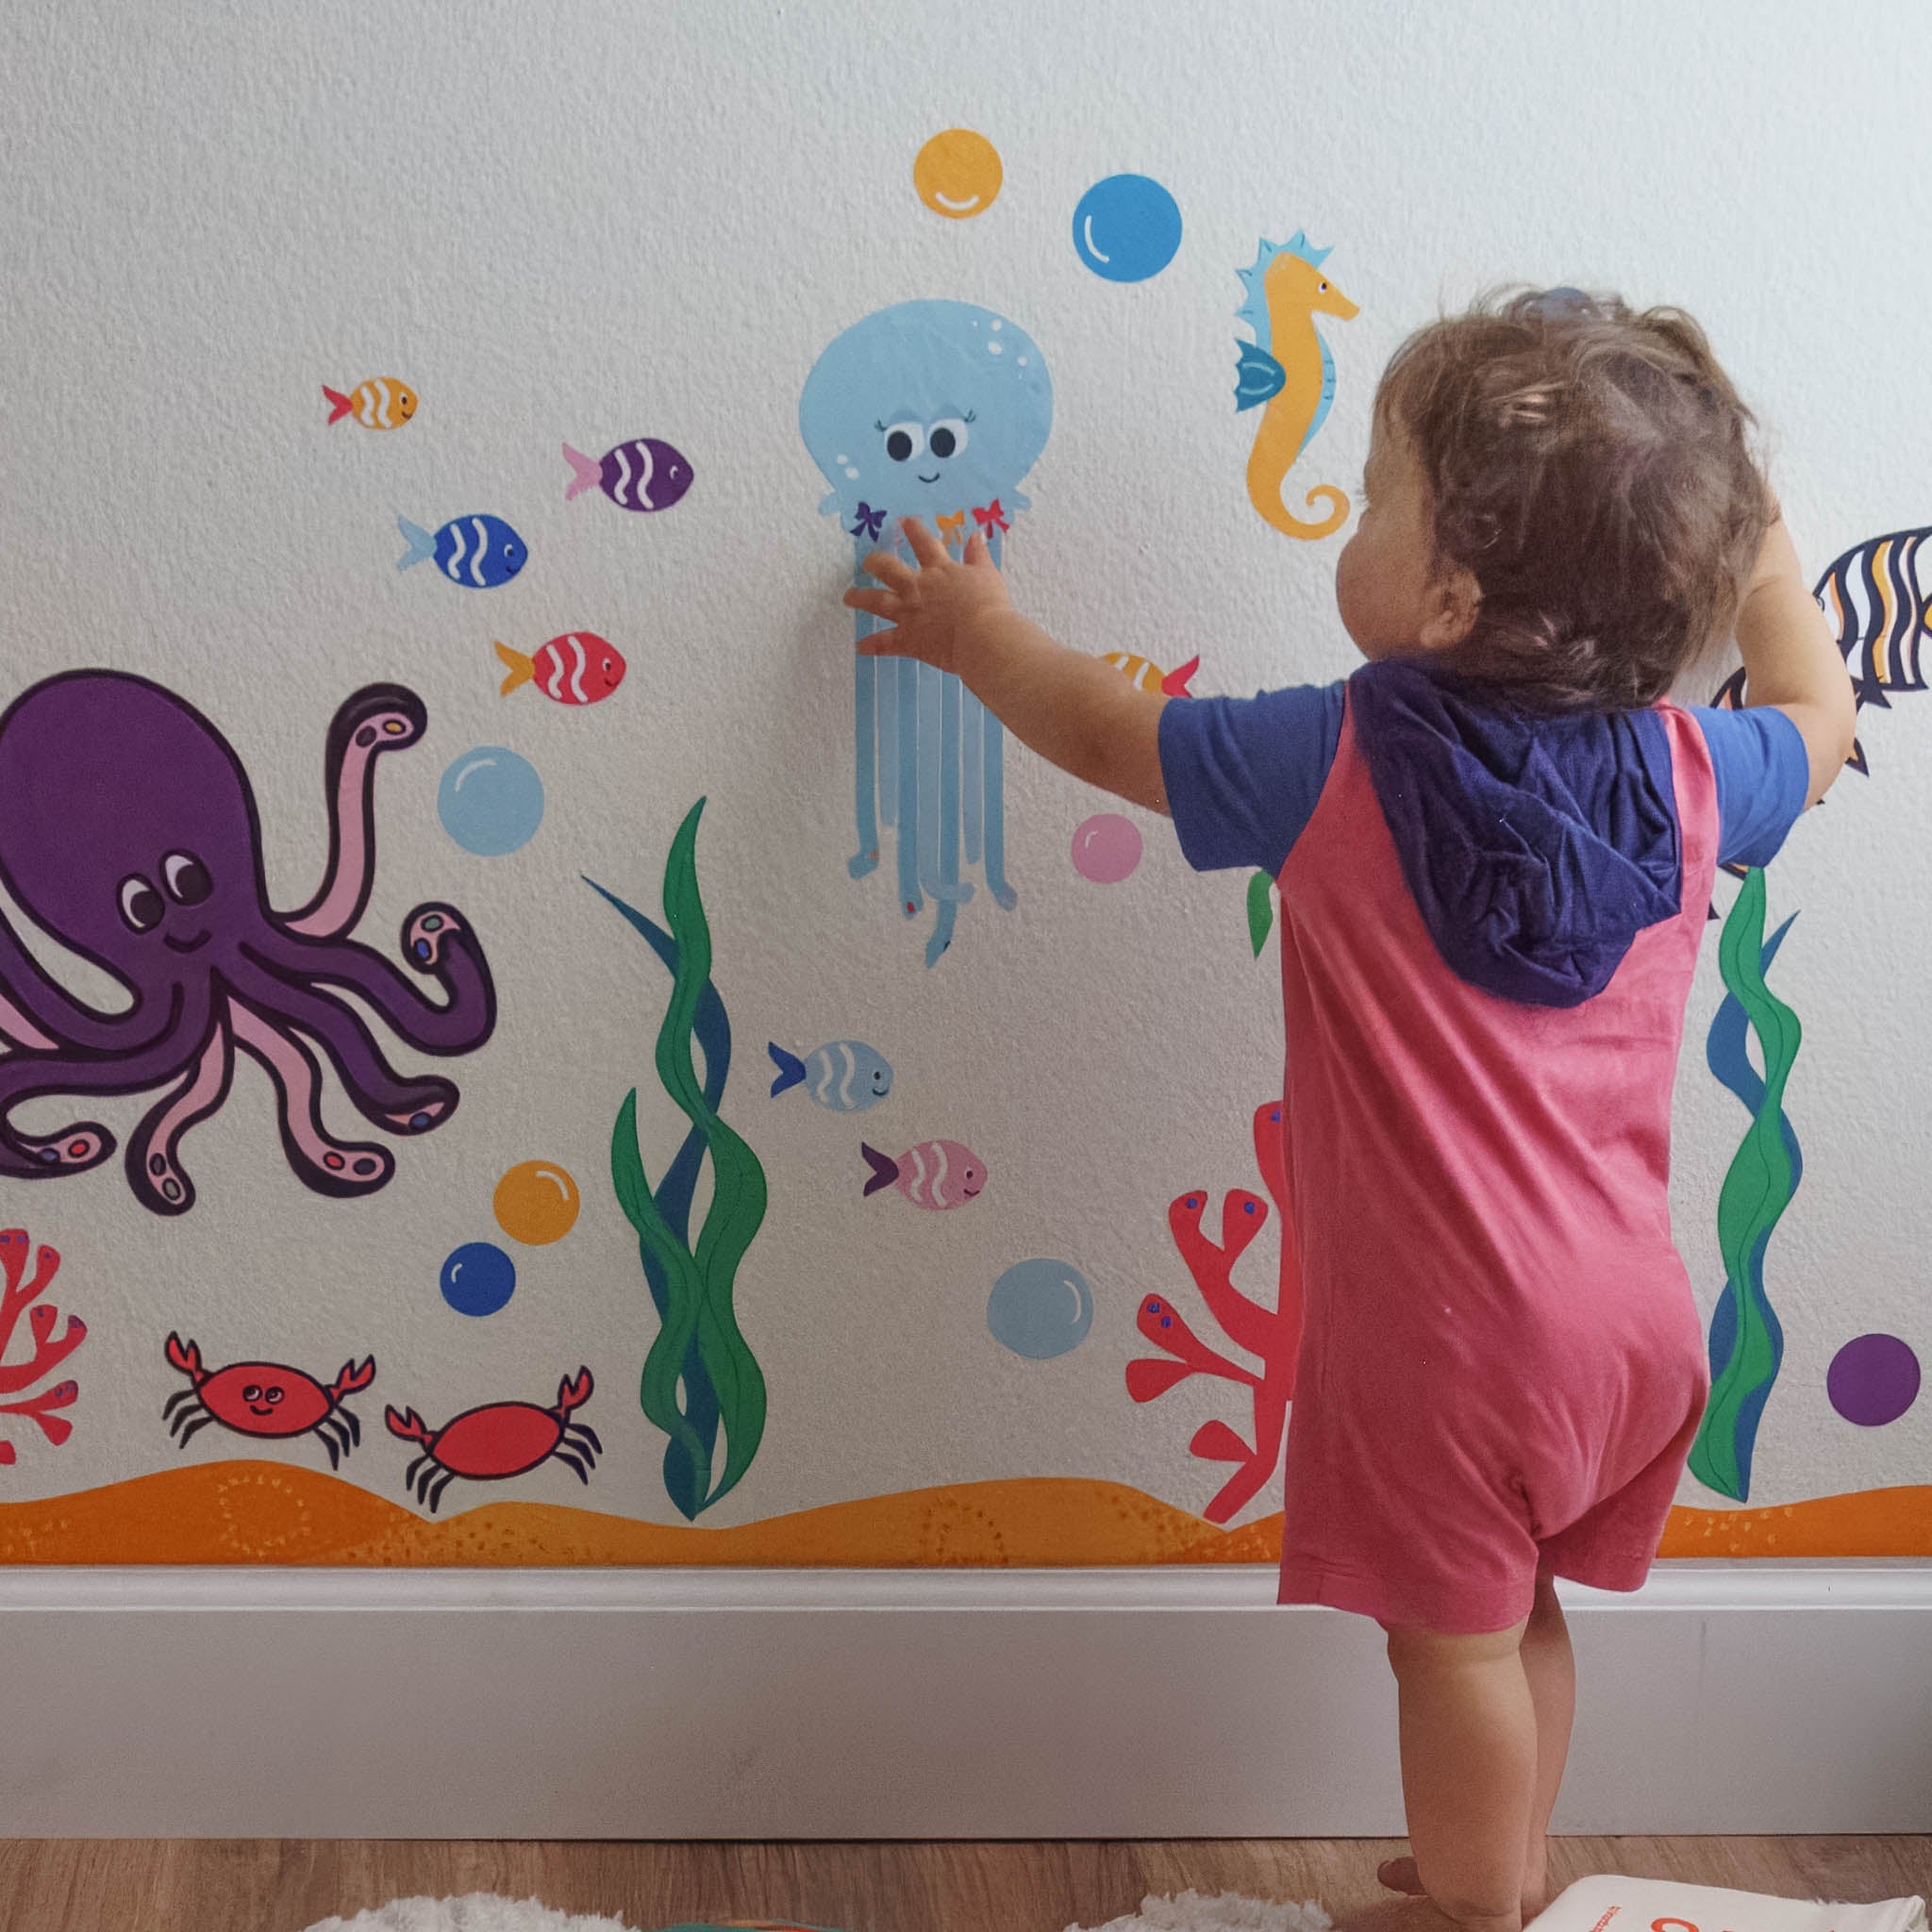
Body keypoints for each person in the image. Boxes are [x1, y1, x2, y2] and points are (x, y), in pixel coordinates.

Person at [841, 286, 1857, 1932]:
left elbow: (1110, 732)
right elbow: (1819, 724)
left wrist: (974, 630)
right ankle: (1506, 1862)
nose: (1352, 519)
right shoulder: (1693, 778)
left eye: (1376, 496)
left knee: (1445, 1650)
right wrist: (1766, 576)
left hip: (1451, 1344)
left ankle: (1471, 1911)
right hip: (1635, 1329)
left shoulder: (1331, 761)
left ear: (1449, 590)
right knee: (1520, 1612)